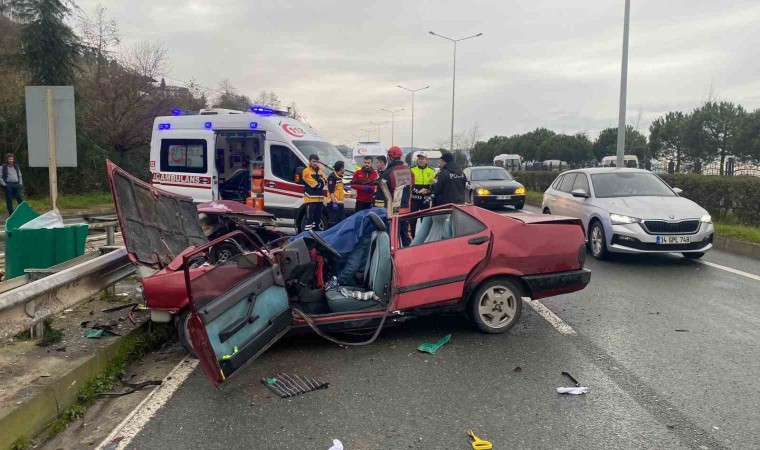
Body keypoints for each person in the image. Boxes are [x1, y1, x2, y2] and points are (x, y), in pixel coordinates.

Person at [379, 146, 414, 247]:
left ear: (390, 157)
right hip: (406, 210)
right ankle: (410, 256)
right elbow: (411, 186)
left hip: (393, 212)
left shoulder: (387, 173)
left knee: (393, 237)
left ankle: (394, 259)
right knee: (406, 236)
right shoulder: (409, 171)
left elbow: (383, 193)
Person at [409, 152, 436, 238]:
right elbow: (409, 184)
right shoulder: (412, 170)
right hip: (415, 200)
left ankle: (425, 240)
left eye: (422, 158)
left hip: (425, 200)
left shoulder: (431, 171)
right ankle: (412, 239)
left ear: (426, 160)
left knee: (425, 222)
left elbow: (434, 186)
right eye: (419, 158)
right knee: (412, 221)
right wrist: (417, 191)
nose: (420, 160)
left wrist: (428, 191)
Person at [301, 154, 327, 231]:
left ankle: (316, 237)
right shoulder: (306, 171)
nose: (315, 163)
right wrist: (321, 181)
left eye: (316, 161)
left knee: (317, 220)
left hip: (320, 199)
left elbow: (325, 181)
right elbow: (314, 185)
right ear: (309, 161)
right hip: (310, 199)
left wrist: (320, 182)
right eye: (313, 161)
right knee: (309, 221)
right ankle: (306, 235)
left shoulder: (320, 171)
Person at [327, 160, 346, 227]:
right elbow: (331, 191)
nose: (344, 169)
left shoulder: (339, 177)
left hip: (340, 203)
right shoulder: (332, 177)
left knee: (342, 222)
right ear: (341, 168)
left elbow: (339, 188)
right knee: (334, 223)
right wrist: (334, 203)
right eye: (344, 167)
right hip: (333, 203)